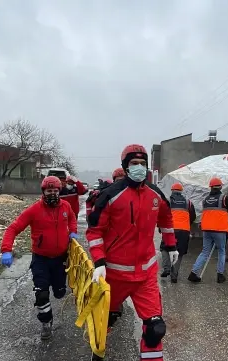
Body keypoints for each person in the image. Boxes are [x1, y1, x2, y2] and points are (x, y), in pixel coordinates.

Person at [87, 144, 177, 361]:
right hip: (115, 276)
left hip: (145, 275)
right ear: (125, 167)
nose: (139, 167)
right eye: (134, 163)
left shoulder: (156, 194)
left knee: (155, 329)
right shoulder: (110, 195)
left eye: (142, 164)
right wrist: (99, 262)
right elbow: (95, 231)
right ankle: (97, 354)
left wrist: (171, 244)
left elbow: (166, 217)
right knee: (104, 322)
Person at [0, 176, 77, 340]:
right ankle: (46, 323)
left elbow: (71, 218)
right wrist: (6, 250)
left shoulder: (66, 206)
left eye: (55, 191)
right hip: (41, 259)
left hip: (60, 259)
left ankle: (58, 290)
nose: (53, 194)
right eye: (49, 191)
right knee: (41, 293)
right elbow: (13, 228)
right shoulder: (34, 210)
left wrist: (73, 231)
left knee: (59, 293)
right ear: (43, 192)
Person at [188, 177, 228, 284]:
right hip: (219, 230)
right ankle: (220, 276)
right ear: (220, 186)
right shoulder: (224, 198)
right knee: (221, 251)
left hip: (206, 230)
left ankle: (193, 273)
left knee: (204, 252)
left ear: (210, 187)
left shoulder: (205, 200)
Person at [160, 182, 196, 283]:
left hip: (169, 229)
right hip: (184, 230)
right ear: (181, 191)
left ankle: (166, 268)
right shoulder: (188, 202)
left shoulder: (167, 201)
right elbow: (193, 216)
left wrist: (161, 228)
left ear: (172, 191)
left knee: (165, 248)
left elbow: (161, 216)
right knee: (179, 252)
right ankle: (174, 275)